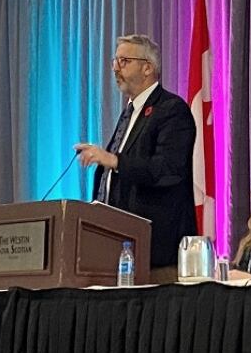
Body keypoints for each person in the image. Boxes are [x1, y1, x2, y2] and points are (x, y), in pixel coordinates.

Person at [75, 34, 197, 284]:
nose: (115, 68)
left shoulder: (172, 110)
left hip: (156, 254)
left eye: (124, 61)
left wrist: (114, 161)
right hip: (118, 251)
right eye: (114, 61)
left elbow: (167, 169)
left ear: (147, 68)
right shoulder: (129, 113)